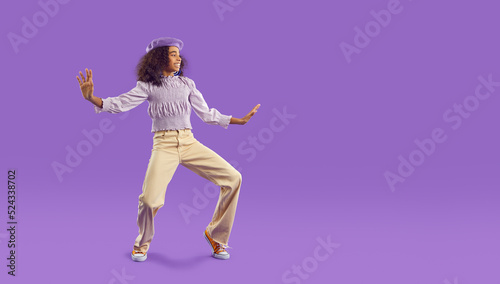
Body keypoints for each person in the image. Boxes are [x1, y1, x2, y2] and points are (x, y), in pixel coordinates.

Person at [76, 37, 260, 261]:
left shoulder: (187, 84)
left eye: (179, 54)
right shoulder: (147, 86)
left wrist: (238, 121)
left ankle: (216, 236)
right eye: (173, 54)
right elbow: (120, 103)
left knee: (233, 178)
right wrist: (91, 98)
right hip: (164, 145)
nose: (179, 58)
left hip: (189, 141)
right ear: (159, 57)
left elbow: (207, 114)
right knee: (149, 200)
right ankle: (142, 244)